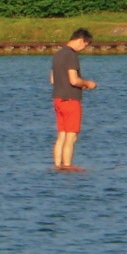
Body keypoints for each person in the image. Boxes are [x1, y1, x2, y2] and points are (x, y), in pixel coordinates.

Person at [50, 30, 98, 169]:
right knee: (71, 137)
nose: (83, 48)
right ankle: (67, 166)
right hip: (71, 100)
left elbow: (53, 79)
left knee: (61, 136)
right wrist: (88, 84)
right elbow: (73, 80)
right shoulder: (71, 55)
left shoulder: (57, 54)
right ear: (81, 40)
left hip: (58, 99)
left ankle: (58, 166)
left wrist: (77, 84)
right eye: (85, 45)